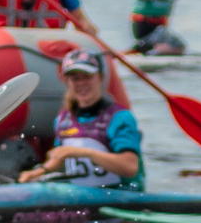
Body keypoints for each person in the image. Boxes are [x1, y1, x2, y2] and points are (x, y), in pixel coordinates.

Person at [16, 47, 143, 188]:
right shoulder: (63, 119)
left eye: (87, 77)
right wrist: (39, 172)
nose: (81, 83)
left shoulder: (120, 117)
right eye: (75, 78)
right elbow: (62, 158)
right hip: (83, 200)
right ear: (67, 82)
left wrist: (84, 153)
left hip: (121, 198)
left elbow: (130, 167)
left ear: (100, 78)